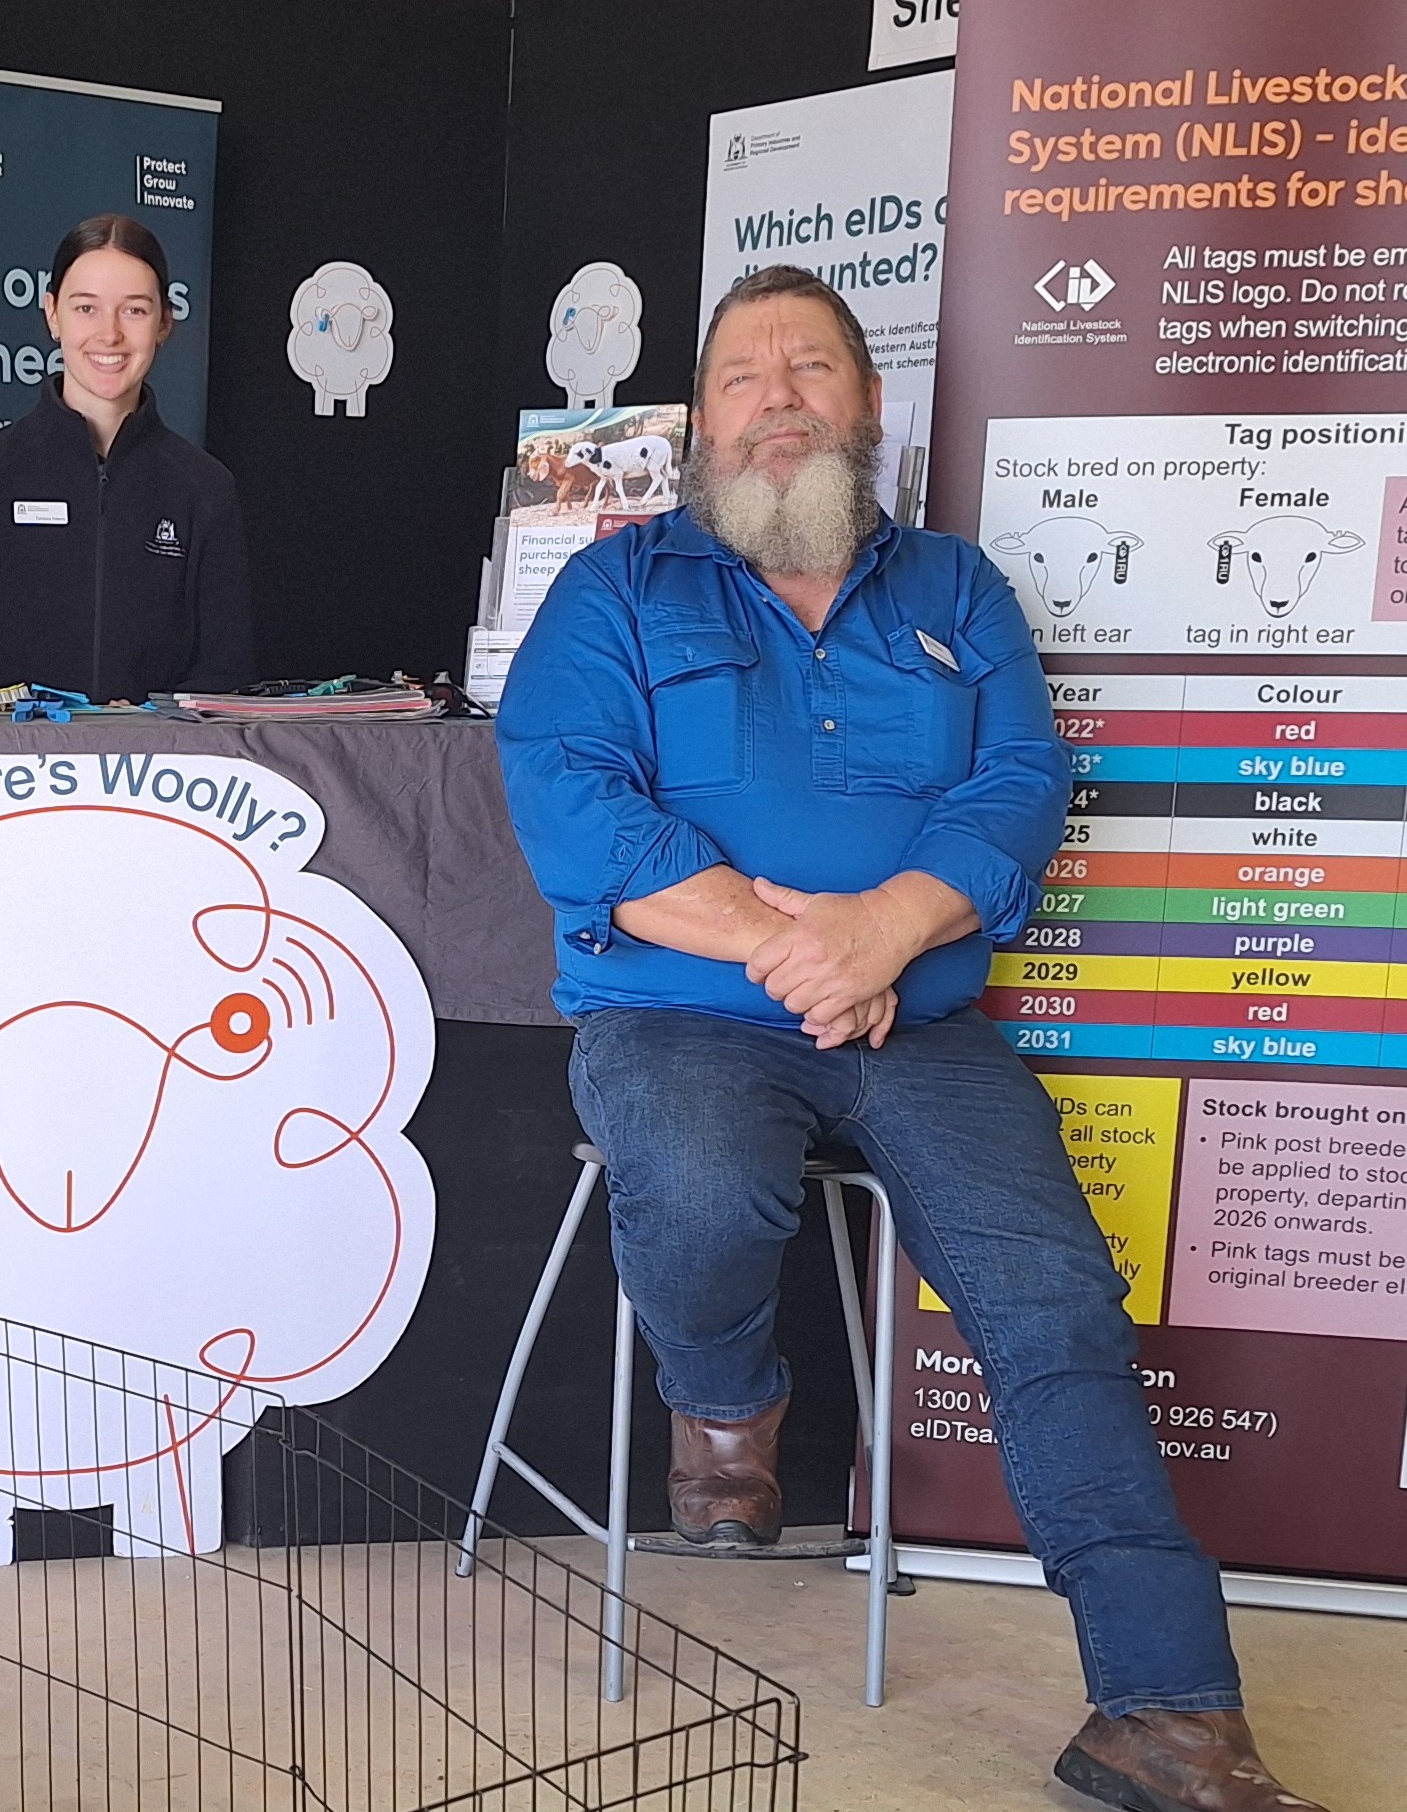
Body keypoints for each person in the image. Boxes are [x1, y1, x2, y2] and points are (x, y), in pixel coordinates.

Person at [494, 265, 1325, 1812]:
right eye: (745, 374)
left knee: (1055, 1295)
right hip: (677, 1015)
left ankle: (1164, 1711)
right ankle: (728, 1404)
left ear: (866, 409)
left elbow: (1014, 787)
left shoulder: (952, 590)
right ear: (702, 420)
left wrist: (881, 935)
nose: (780, 398)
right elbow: (571, 802)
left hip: (918, 1027)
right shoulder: (615, 592)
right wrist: (799, 948)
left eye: (813, 368)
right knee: (689, 1167)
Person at [0, 214, 254, 699]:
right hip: (8, 771)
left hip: (156, 771)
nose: (108, 334)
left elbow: (226, 672)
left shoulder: (205, 487)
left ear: (164, 323)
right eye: (86, 308)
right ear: (52, 314)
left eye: (134, 310)